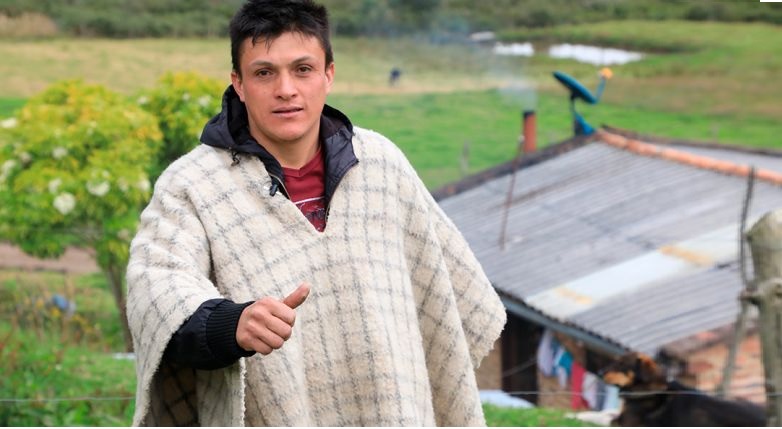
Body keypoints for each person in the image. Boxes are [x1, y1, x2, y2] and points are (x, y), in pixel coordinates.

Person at [126, 0, 505, 426]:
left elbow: (450, 297)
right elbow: (155, 289)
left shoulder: (381, 164)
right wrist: (229, 324)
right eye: (264, 73)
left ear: (329, 74)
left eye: (303, 69)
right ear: (239, 84)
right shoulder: (193, 184)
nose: (286, 89)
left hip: (396, 412)